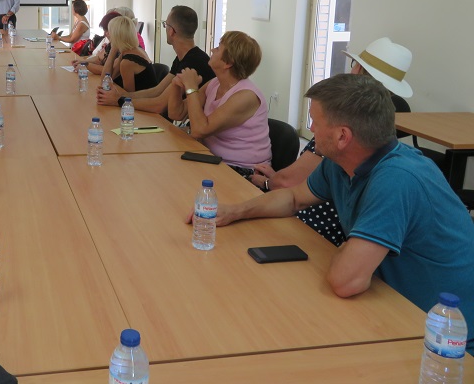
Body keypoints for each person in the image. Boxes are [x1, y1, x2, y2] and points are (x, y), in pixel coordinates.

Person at [209, 73, 474, 352]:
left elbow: (345, 281)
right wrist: (235, 211)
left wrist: (348, 252)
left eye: (315, 120)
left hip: (445, 340)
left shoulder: (398, 179)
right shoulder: (343, 162)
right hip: (392, 306)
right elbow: (292, 198)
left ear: (342, 136)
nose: (310, 127)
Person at [247, 37, 414, 246]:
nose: (311, 128)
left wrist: (268, 182)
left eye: (315, 121)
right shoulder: (376, 131)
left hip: (317, 230)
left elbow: (288, 184)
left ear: (359, 69)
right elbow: (300, 189)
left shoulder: (337, 128)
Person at [168, 30, 271, 173]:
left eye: (218, 48)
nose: (212, 49)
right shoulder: (215, 83)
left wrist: (191, 88)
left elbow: (199, 130)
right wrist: (176, 84)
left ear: (228, 63)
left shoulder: (246, 96)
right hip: (212, 159)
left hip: (243, 170)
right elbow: (176, 113)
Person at [97, 5, 215, 116]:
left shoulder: (192, 63)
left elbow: (159, 104)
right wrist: (123, 95)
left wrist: (119, 100)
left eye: (165, 25)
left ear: (171, 31)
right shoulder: (186, 57)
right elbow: (157, 90)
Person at [103, 15, 157, 92]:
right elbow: (107, 79)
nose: (107, 34)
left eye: (109, 31)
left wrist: (113, 49)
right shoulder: (134, 50)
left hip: (143, 102)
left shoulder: (127, 62)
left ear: (116, 35)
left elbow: (128, 97)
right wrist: (113, 50)